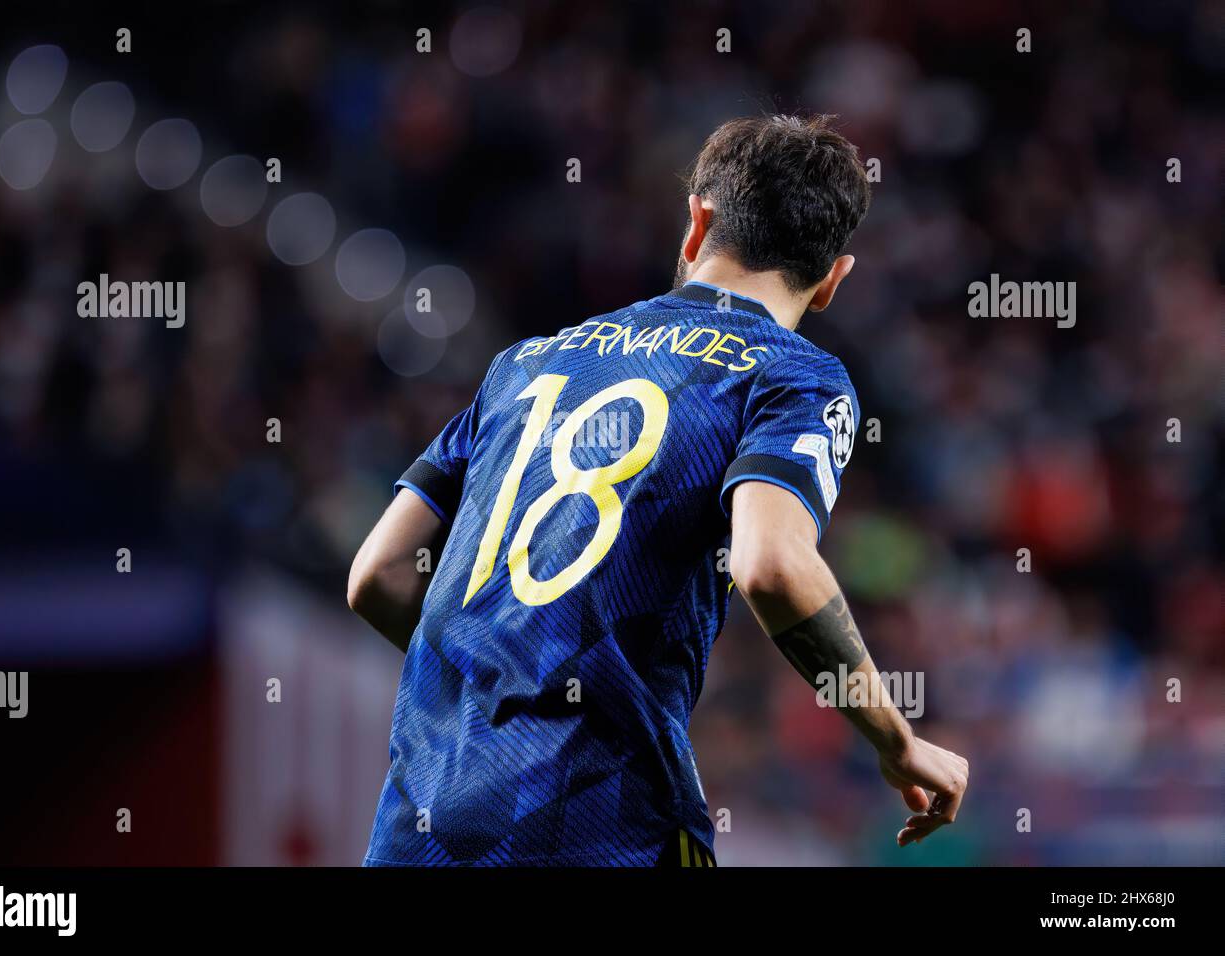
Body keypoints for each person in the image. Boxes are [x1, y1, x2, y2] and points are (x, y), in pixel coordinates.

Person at [348, 113, 969, 866]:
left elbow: (377, 575)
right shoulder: (793, 374)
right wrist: (893, 737)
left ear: (698, 222)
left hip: (420, 821)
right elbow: (771, 564)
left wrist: (501, 683)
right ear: (834, 280)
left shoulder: (526, 363)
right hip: (598, 818)